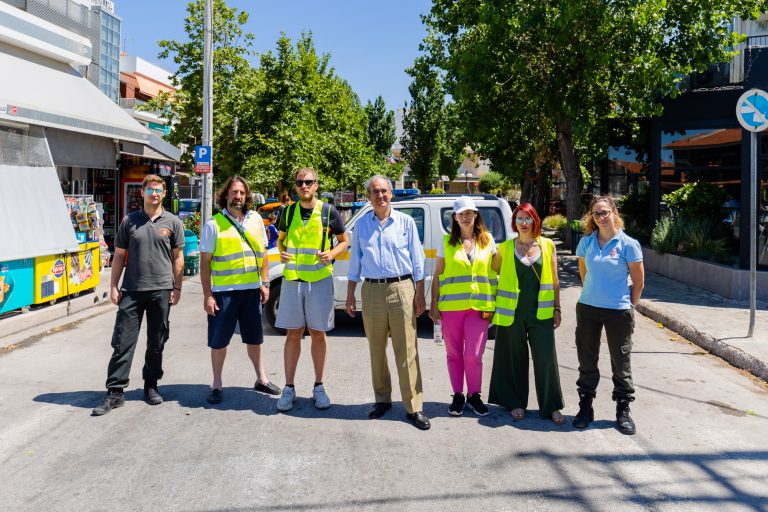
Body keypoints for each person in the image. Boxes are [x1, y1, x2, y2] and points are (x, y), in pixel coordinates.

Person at [91, 174, 184, 416]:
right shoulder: (129, 221)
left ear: (164, 194)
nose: (154, 194)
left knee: (157, 341)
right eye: (150, 190)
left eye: (158, 190)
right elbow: (119, 256)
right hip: (131, 290)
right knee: (122, 342)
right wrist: (113, 286)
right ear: (142, 192)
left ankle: (151, 385)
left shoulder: (173, 223)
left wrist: (177, 288)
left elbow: (178, 258)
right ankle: (115, 392)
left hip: (161, 290)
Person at [346, 175, 430, 431]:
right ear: (368, 197)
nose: (380, 195)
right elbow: (354, 263)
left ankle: (414, 407)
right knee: (376, 349)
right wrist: (350, 294)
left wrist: (420, 293)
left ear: (391, 194)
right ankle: (382, 399)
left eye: (384, 191)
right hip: (371, 290)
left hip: (401, 288)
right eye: (374, 192)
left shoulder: (405, 223)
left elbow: (418, 261)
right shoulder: (361, 226)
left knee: (407, 350)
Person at [199, 176, 281, 404]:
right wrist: (207, 295)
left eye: (242, 193)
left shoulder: (255, 220)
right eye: (234, 192)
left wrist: (265, 283)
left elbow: (263, 254)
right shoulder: (213, 224)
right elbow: (205, 264)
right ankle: (216, 384)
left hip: (251, 291)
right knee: (219, 341)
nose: (238, 197)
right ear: (225, 195)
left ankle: (261, 379)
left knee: (255, 339)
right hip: (224, 293)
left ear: (247, 196)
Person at [275, 168, 348, 412]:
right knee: (293, 334)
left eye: (308, 182)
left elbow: (344, 240)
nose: (304, 186)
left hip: (319, 280)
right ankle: (288, 388)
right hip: (293, 280)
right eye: (300, 182)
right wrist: (282, 250)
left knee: (318, 333)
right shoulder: (288, 212)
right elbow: (281, 239)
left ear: (316, 185)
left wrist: (332, 253)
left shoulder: (329, 211)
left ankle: (319, 386)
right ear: (295, 186)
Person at [488, 203, 566, 424]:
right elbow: (490, 271)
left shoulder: (548, 245)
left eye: (528, 219)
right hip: (512, 312)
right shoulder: (504, 248)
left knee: (546, 358)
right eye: (519, 219)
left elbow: (555, 280)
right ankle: (515, 402)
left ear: (535, 221)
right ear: (514, 222)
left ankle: (551, 405)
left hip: (541, 312)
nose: (523, 223)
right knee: (514, 359)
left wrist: (557, 308)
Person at [573, 195, 644, 435]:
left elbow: (638, 282)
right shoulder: (586, 242)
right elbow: (584, 273)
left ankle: (623, 410)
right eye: (596, 214)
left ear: (614, 211)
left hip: (619, 312)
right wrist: (592, 294)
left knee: (620, 361)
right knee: (586, 359)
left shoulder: (628, 244)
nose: (601, 217)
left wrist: (628, 306)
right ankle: (585, 407)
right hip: (588, 308)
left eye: (604, 212)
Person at [429, 196, 497, 417]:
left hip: (479, 308)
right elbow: (437, 275)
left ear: (476, 215)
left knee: (474, 355)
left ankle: (474, 395)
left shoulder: (488, 240)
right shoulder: (446, 242)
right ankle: (458, 395)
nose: (465, 217)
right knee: (454, 353)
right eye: (461, 214)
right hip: (451, 308)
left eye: (469, 213)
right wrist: (433, 305)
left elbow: (499, 272)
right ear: (455, 218)